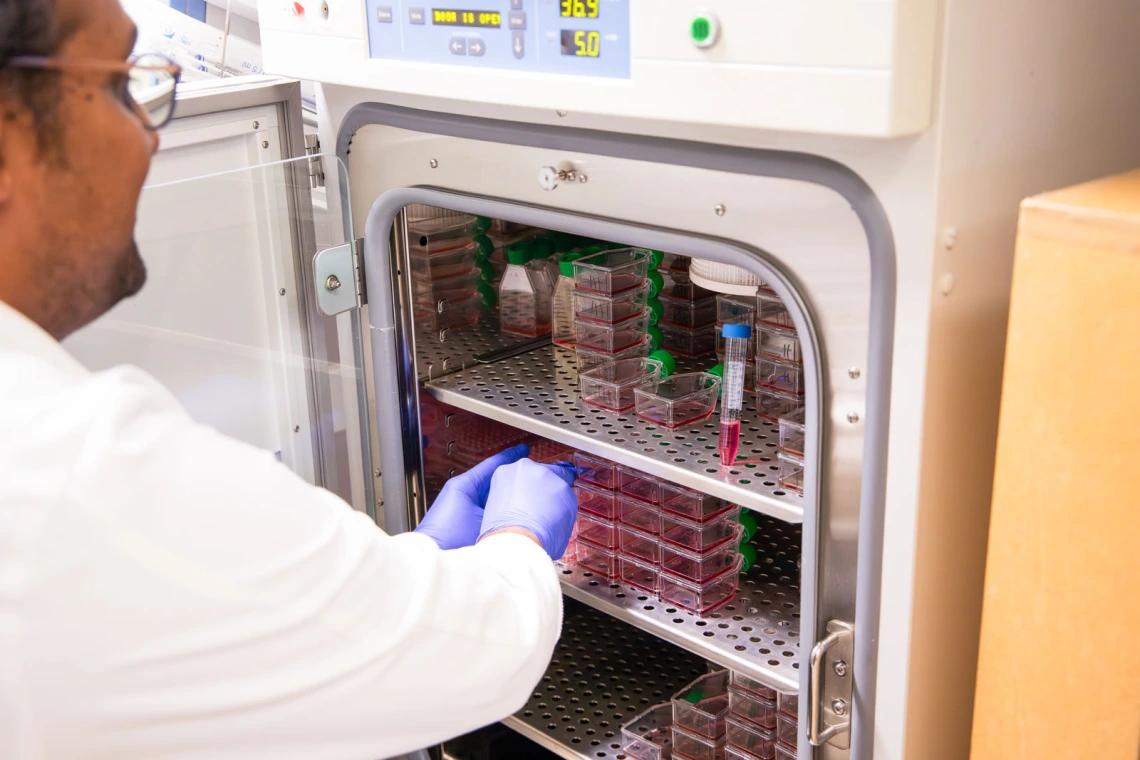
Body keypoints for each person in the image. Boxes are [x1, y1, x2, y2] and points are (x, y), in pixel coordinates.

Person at [0, 1, 579, 758]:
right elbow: (465, 655)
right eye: (118, 87)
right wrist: (518, 540)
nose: (148, 136)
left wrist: (416, 569)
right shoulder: (74, 470)